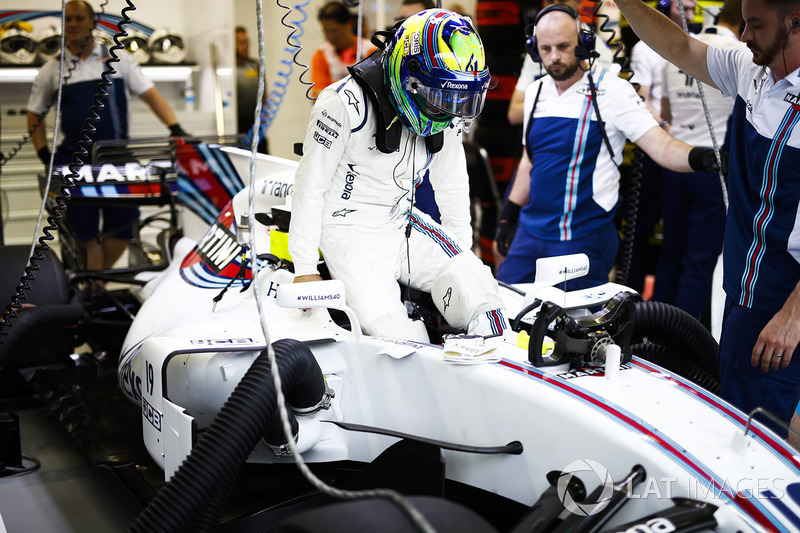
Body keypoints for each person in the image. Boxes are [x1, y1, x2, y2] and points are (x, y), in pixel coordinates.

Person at [614, 0, 800, 435]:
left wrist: (794, 317)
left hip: (783, 296)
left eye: (756, 24)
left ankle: (753, 501)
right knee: (737, 408)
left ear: (795, 21)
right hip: (742, 282)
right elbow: (678, 45)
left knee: (755, 435)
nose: (745, 35)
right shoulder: (750, 69)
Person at [288, 9, 508, 342]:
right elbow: (308, 186)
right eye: (440, 97)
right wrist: (304, 268)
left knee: (481, 291)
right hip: (348, 232)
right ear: (411, 77)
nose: (448, 108)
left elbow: (452, 183)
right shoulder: (341, 104)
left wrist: (461, 257)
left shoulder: (445, 107)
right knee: (397, 337)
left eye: (456, 98)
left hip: (401, 220)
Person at [493, 4, 722, 290]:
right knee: (504, 314)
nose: (554, 57)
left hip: (581, 236)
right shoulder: (537, 91)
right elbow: (530, 159)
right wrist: (508, 215)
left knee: (567, 328)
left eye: (563, 46)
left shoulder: (612, 90)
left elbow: (661, 147)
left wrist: (704, 158)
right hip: (530, 231)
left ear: (584, 42)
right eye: (545, 48)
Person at [27, 0, 187, 271]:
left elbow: (152, 95)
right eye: (68, 19)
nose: (74, 24)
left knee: (124, 225)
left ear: (92, 22)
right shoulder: (52, 69)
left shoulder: (117, 58)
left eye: (79, 18)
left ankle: (96, 282)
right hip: (74, 161)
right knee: (82, 232)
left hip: (117, 158)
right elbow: (34, 114)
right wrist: (44, 153)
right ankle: (91, 291)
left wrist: (175, 128)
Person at [652, 0, 746, 319]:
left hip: (675, 162)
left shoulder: (677, 52)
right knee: (699, 260)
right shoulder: (741, 58)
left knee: (670, 252)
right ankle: (682, 343)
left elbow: (664, 113)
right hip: (713, 168)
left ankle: (654, 329)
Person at [506, 0, 616, 126]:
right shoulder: (539, 48)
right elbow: (514, 114)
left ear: (579, 2)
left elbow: (601, 106)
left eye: (563, 46)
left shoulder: (595, 49)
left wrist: (541, 103)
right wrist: (562, 103)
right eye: (550, 1)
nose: (556, 4)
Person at [310, 1, 376, 99]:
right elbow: (317, 98)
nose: (330, 37)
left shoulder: (370, 51)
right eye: (326, 31)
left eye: (334, 31)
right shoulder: (321, 55)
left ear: (348, 25)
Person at [235, 25, 268, 153]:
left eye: (247, 42)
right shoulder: (229, 69)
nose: (246, 46)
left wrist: (264, 121)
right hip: (237, 127)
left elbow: (265, 95)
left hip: (256, 125)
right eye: (241, 43)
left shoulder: (255, 65)